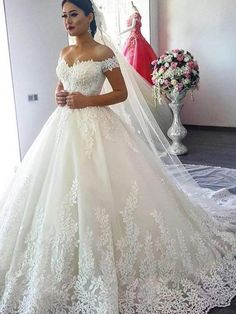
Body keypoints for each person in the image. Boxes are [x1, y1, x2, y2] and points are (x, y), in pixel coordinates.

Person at [0, 0, 236, 313]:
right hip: (63, 127)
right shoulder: (64, 53)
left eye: (73, 15)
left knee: (107, 187)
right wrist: (59, 94)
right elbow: (61, 85)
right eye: (63, 16)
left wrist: (88, 100)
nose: (67, 21)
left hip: (97, 125)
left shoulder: (103, 53)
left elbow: (121, 93)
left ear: (89, 17)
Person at [120, 1, 157, 84]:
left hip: (135, 39)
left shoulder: (135, 15)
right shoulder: (138, 14)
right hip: (137, 38)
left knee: (136, 59)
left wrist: (121, 32)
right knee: (138, 59)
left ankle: (137, 82)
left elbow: (132, 27)